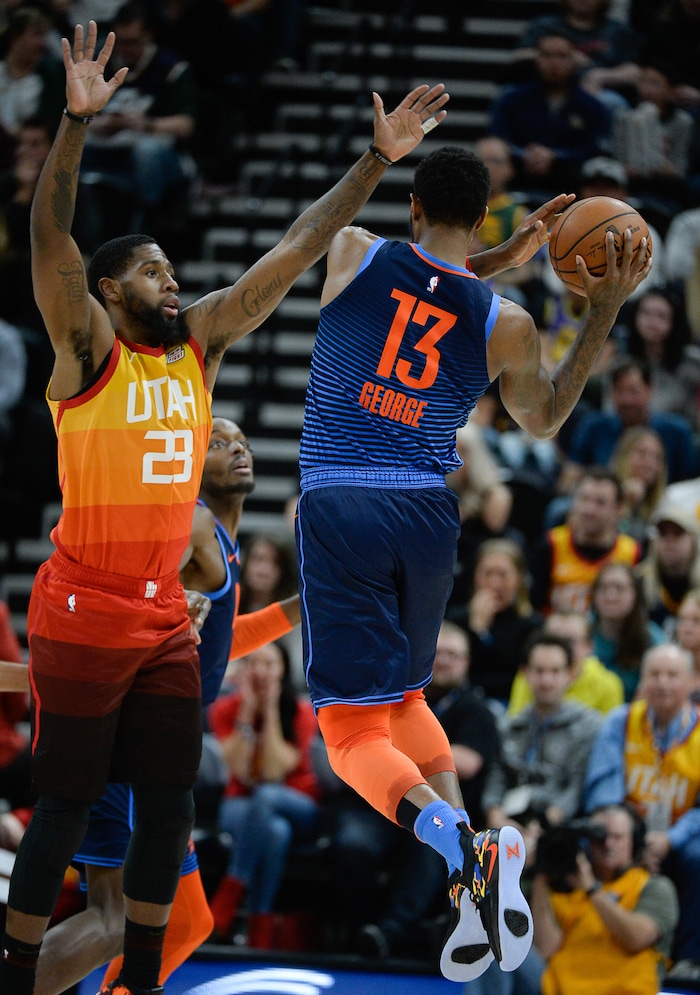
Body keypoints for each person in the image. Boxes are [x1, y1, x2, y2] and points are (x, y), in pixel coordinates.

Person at [0, 17, 453, 995]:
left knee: (173, 807)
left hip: (162, 611)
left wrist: (376, 162)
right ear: (109, 289)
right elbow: (50, 237)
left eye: (174, 268)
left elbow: (294, 248)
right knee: (64, 813)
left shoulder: (198, 344)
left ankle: (141, 984)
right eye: (153, 270)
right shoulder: (88, 351)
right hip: (82, 602)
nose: (174, 280)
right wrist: (76, 126)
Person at [293, 139, 650, 982]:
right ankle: (471, 884)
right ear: (483, 216)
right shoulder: (506, 323)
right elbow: (546, 417)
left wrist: (493, 257)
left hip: (343, 497)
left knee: (349, 731)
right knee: (407, 698)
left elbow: (406, 277)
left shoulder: (353, 252)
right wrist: (601, 308)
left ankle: (464, 848)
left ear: (413, 205)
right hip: (427, 511)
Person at [0, 416, 303, 994]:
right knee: (121, 918)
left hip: (148, 745)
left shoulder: (223, 538)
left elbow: (222, 644)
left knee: (176, 921)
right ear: (190, 459)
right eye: (219, 443)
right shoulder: (191, 523)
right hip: (128, 739)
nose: (237, 450)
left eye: (241, 442)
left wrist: (302, 605)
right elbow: (137, 602)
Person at [348, 620, 501, 961]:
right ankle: (354, 929)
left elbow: (468, 762)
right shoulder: (391, 699)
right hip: (382, 807)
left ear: (467, 663)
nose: (444, 661)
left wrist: (391, 755)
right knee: (351, 842)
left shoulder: (476, 710)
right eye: (438, 653)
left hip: (440, 812)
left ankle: (390, 933)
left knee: (433, 845)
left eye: (453, 655)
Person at [583, 642, 700, 981]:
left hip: (682, 836)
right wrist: (632, 839)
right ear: (643, 680)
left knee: (698, 857)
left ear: (691, 681)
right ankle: (582, 949)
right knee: (584, 845)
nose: (663, 683)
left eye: (672, 675)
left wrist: (669, 840)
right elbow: (604, 793)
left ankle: (690, 959)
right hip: (627, 831)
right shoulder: (620, 722)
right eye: (655, 674)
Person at [206, 638, 320, 949]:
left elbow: (273, 773)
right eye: (253, 663)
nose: (260, 671)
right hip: (241, 802)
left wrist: (269, 711)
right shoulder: (224, 709)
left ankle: (232, 888)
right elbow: (241, 772)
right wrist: (247, 711)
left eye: (269, 664)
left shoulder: (301, 711)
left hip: (297, 803)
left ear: (284, 670)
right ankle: (260, 924)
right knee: (276, 832)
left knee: (268, 795)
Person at [530, 803, 679, 995]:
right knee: (496, 959)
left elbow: (636, 938)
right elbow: (544, 950)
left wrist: (591, 889)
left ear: (634, 842)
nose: (608, 844)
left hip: (623, 990)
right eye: (600, 838)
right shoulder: (566, 885)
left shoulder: (654, 886)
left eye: (617, 837)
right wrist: (542, 875)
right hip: (557, 987)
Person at [481, 632, 602, 860]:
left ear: (571, 674)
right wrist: (495, 815)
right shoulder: (511, 725)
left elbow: (576, 786)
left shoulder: (587, 725)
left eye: (555, 671)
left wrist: (544, 826)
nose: (546, 681)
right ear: (525, 673)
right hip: (509, 820)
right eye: (539, 671)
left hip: (556, 824)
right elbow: (497, 776)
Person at [489, 30, 611, 194]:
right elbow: (497, 140)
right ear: (537, 59)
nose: (554, 63)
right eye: (547, 55)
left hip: (572, 187)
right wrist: (526, 154)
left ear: (573, 60)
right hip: (517, 182)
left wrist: (557, 156)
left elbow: (596, 148)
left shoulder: (591, 106)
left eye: (561, 56)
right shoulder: (512, 99)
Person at [530, 467, 642, 615]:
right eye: (584, 499)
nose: (589, 510)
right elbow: (534, 608)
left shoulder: (633, 553)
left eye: (600, 502)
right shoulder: (551, 545)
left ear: (618, 509)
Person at [568, 357, 699, 482]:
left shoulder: (676, 431)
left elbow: (689, 483)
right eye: (620, 390)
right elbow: (573, 474)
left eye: (634, 391)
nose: (627, 400)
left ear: (649, 390)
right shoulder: (593, 426)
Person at [447, 537, 543, 705]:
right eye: (487, 574)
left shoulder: (531, 625)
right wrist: (475, 627)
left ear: (519, 579)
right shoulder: (456, 619)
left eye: (503, 575)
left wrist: (481, 633)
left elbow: (514, 677)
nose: (494, 583)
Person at [507, 609, 625, 716]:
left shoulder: (608, 684)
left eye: (570, 641)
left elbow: (606, 731)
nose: (561, 647)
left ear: (588, 646)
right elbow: (516, 723)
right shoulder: (528, 676)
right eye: (553, 640)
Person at [589, 560, 668, 700]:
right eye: (603, 588)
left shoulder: (653, 639)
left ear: (635, 594)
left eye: (619, 588)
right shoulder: (580, 632)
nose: (611, 596)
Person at [636, 502, 700, 632]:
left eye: (677, 534)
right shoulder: (638, 582)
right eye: (663, 534)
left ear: (693, 540)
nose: (669, 541)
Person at [609, 426, 667, 547]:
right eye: (642, 453)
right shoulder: (603, 492)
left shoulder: (666, 503)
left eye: (657, 457)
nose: (650, 463)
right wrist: (623, 499)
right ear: (623, 456)